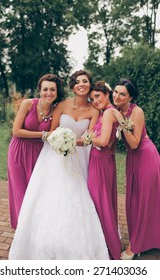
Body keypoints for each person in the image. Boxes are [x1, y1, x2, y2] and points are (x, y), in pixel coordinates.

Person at [8, 70, 110, 260]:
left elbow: (90, 137)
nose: (81, 85)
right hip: (54, 155)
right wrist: (60, 141)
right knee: (47, 194)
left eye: (85, 82)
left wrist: (74, 142)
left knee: (76, 197)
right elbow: (53, 130)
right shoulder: (61, 105)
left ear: (89, 85)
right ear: (72, 86)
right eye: (78, 82)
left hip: (78, 158)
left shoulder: (94, 111)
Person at [7, 73, 65, 229]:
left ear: (57, 91)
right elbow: (16, 131)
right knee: (20, 192)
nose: (49, 93)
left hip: (39, 154)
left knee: (34, 193)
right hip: (18, 152)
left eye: (52, 89)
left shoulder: (57, 110)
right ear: (40, 90)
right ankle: (21, 232)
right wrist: (44, 135)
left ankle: (33, 230)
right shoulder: (28, 104)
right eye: (45, 89)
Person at [111, 77, 160, 260]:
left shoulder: (136, 111)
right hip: (133, 161)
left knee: (144, 203)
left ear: (130, 97)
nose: (117, 96)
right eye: (115, 92)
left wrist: (120, 120)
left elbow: (133, 143)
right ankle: (141, 240)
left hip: (146, 158)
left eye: (122, 94)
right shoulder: (115, 110)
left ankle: (135, 246)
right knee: (133, 202)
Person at [86, 81, 121, 260]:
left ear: (107, 94)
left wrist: (89, 136)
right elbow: (111, 144)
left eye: (97, 96)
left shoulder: (108, 113)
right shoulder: (109, 112)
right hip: (103, 160)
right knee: (103, 202)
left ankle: (111, 247)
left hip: (100, 162)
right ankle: (105, 243)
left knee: (101, 204)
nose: (95, 101)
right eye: (92, 99)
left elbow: (103, 141)